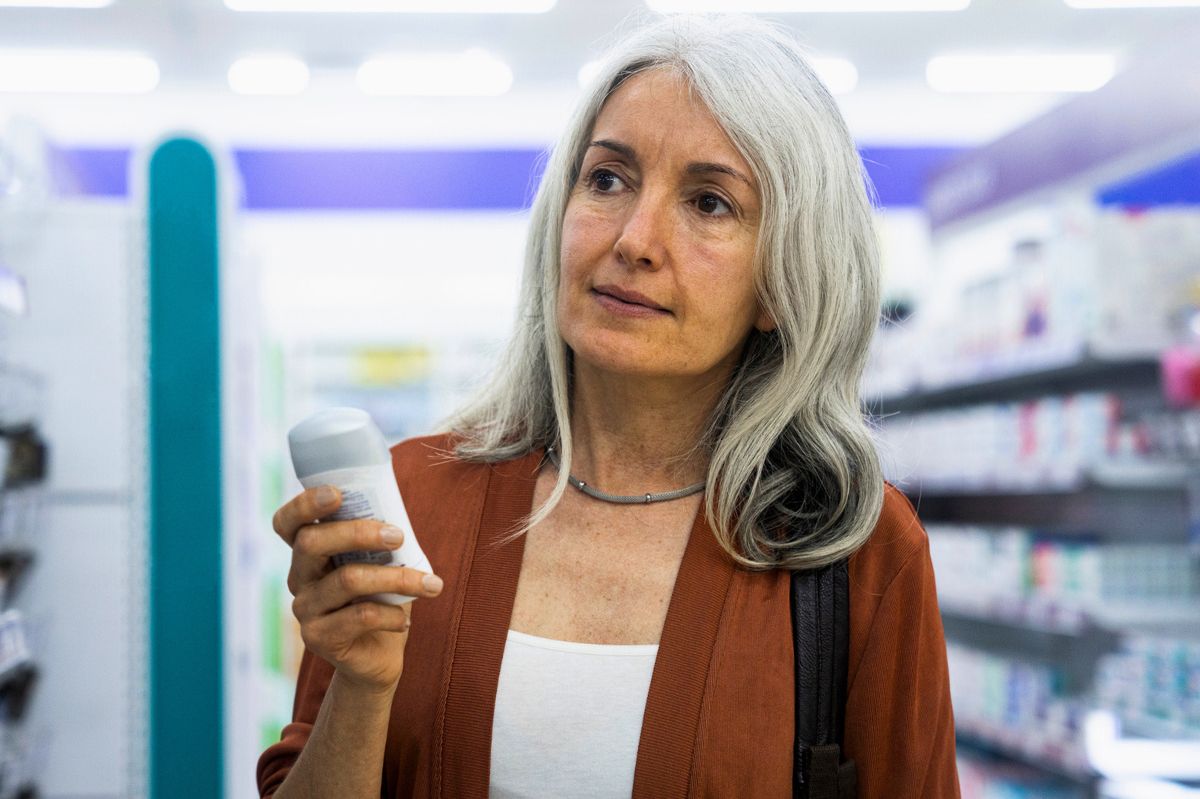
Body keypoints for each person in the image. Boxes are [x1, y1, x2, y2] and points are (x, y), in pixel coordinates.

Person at [257, 13, 959, 799]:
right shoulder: (410, 504)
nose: (634, 237)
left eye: (710, 203)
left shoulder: (855, 551)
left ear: (782, 282)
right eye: (608, 178)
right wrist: (361, 685)